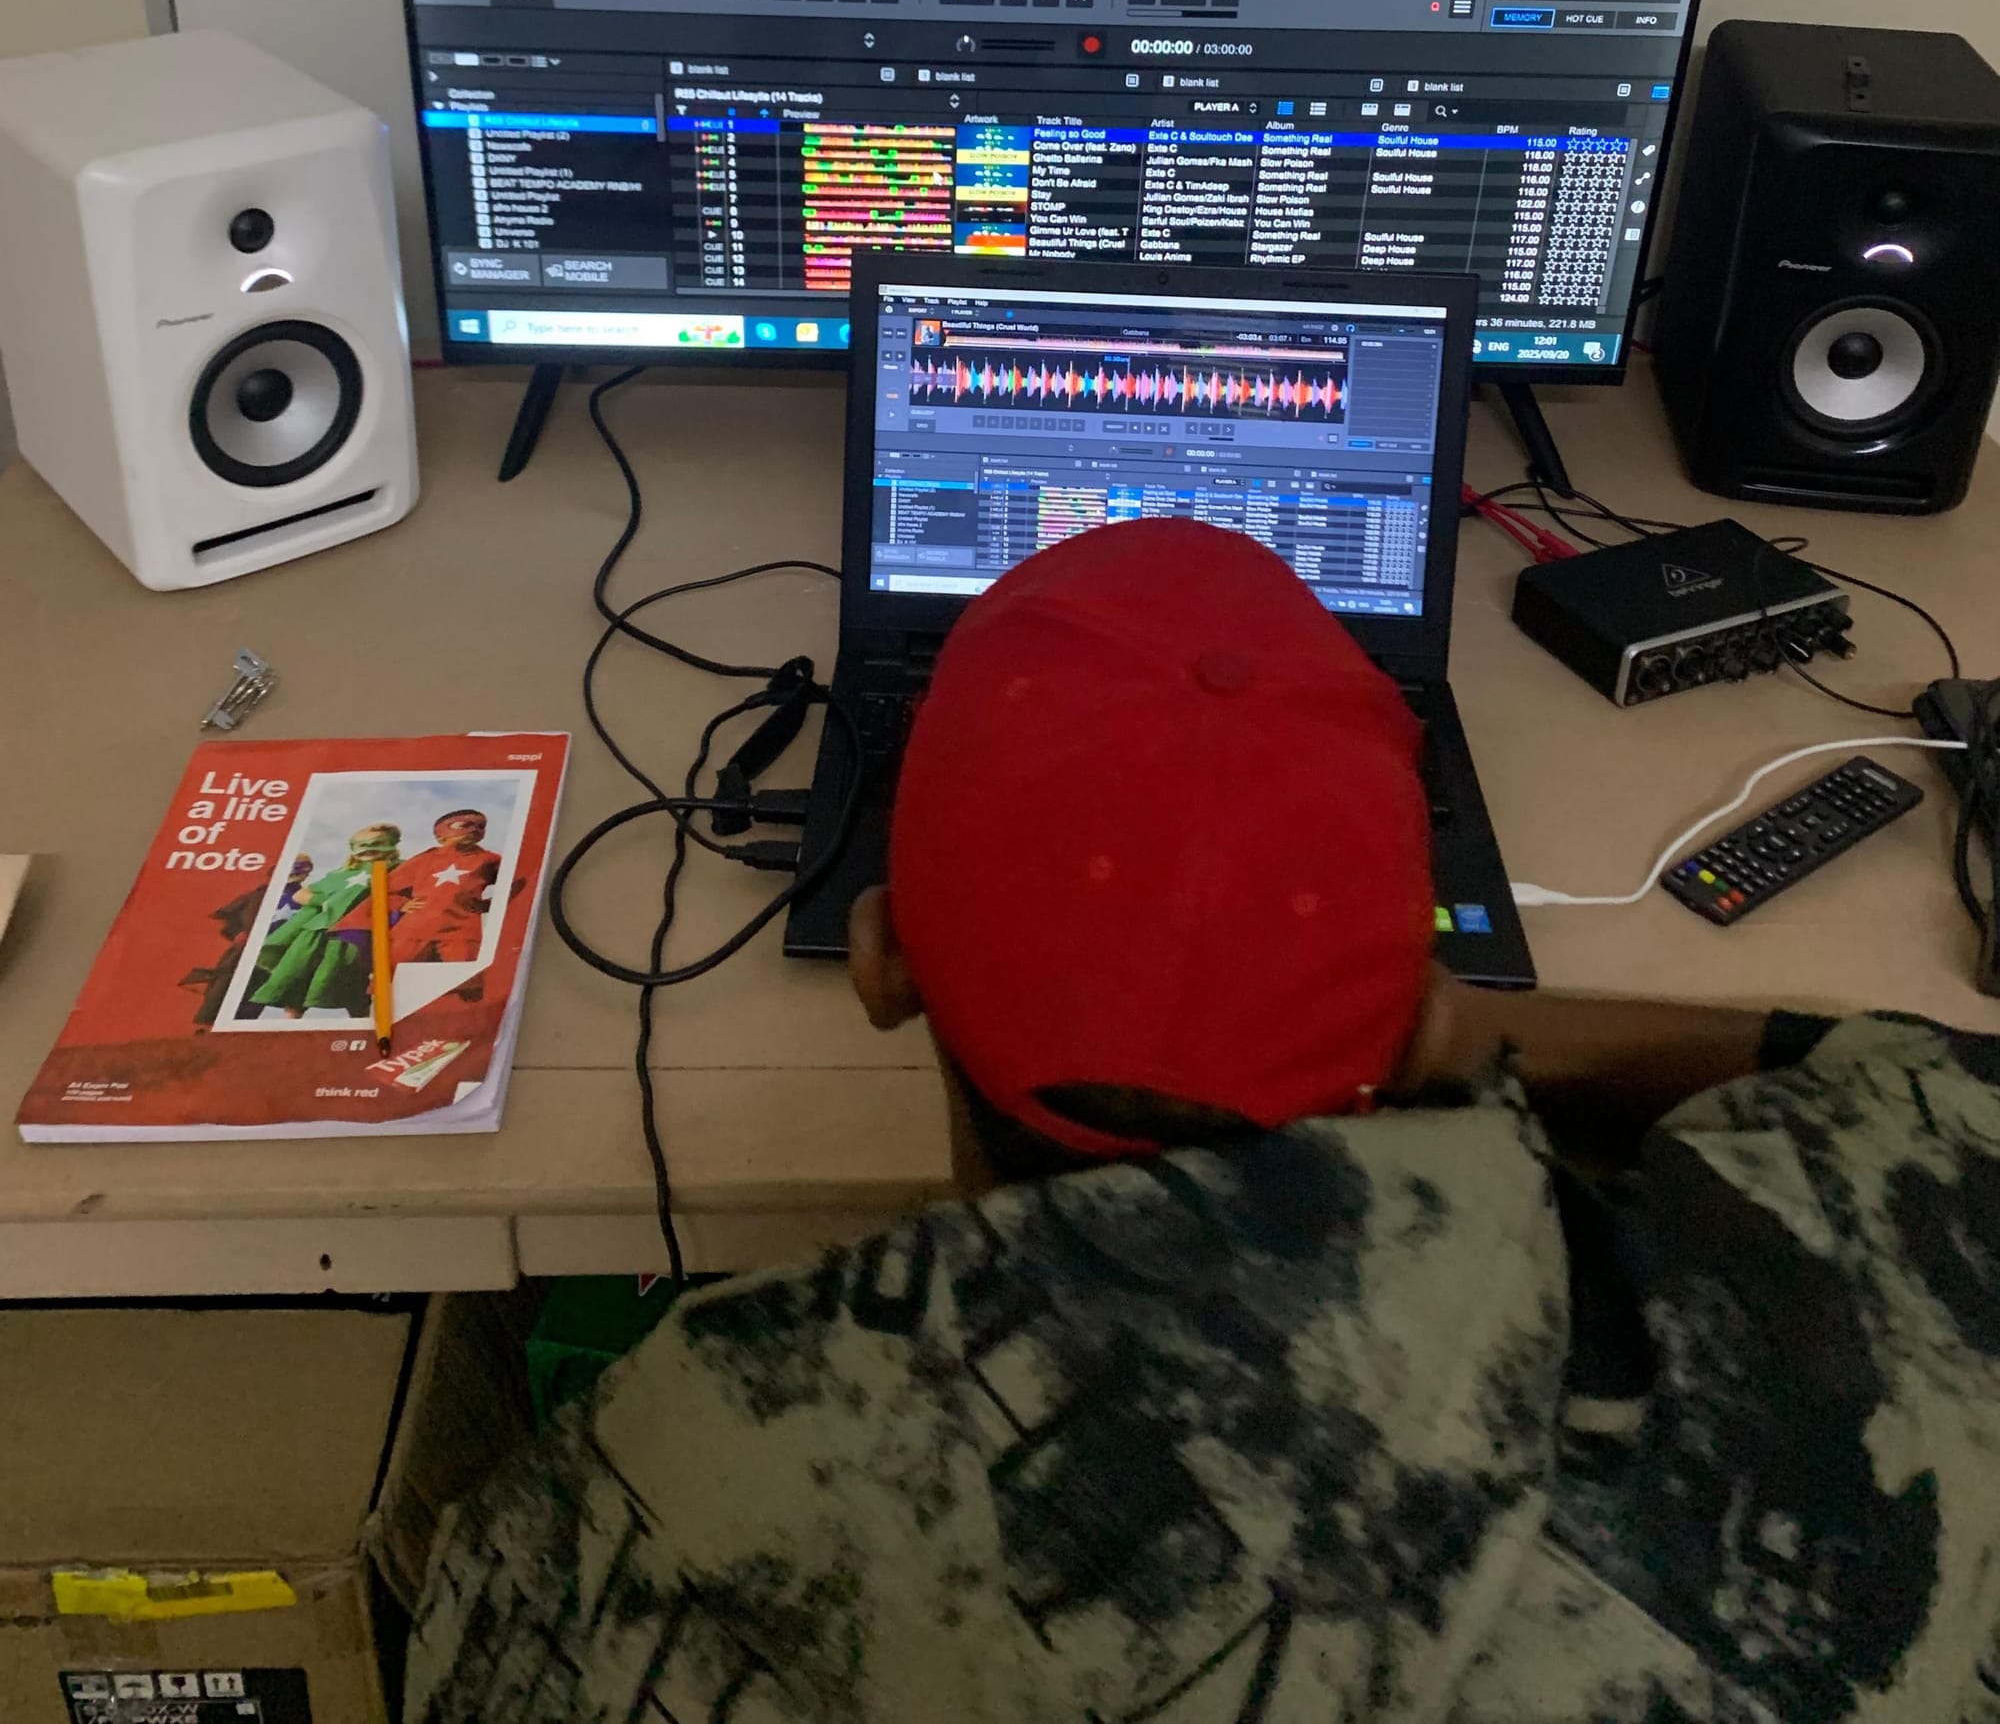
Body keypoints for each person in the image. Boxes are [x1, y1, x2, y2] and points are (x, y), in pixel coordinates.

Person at [406, 520, 2000, 1722]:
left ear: (883, 963)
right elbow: (1933, 1071)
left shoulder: (650, 1507)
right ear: (1426, 999)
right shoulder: (1874, 1312)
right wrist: (1460, 1026)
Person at [247, 823, 402, 1019]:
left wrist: (403, 905)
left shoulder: (401, 868)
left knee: (352, 981)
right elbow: (301, 895)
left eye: (376, 843)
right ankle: (291, 1023)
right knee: (298, 975)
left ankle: (361, 1024)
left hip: (356, 933)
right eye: (362, 845)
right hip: (317, 931)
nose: (369, 849)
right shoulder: (340, 874)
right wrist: (326, 902)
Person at [388, 808, 500, 965]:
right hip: (414, 930)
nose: (474, 829)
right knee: (393, 973)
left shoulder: (488, 859)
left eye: (481, 826)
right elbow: (385, 888)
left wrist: (490, 904)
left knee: (463, 976)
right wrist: (401, 904)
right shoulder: (425, 859)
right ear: (440, 835)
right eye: (464, 825)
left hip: (461, 932)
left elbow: (520, 883)